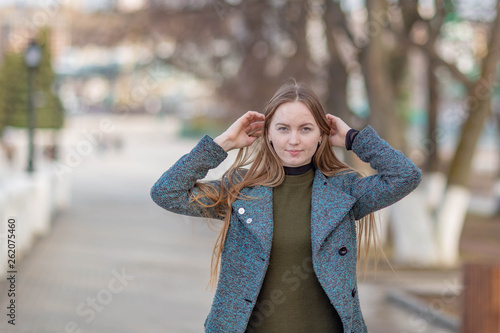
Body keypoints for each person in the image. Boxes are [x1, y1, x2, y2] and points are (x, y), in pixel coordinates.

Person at [150, 81, 422, 333]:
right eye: (283, 128)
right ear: (267, 134)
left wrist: (354, 138)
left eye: (305, 129)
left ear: (321, 135)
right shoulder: (240, 189)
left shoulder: (344, 190)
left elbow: (405, 176)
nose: (294, 140)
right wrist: (224, 143)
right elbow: (167, 192)